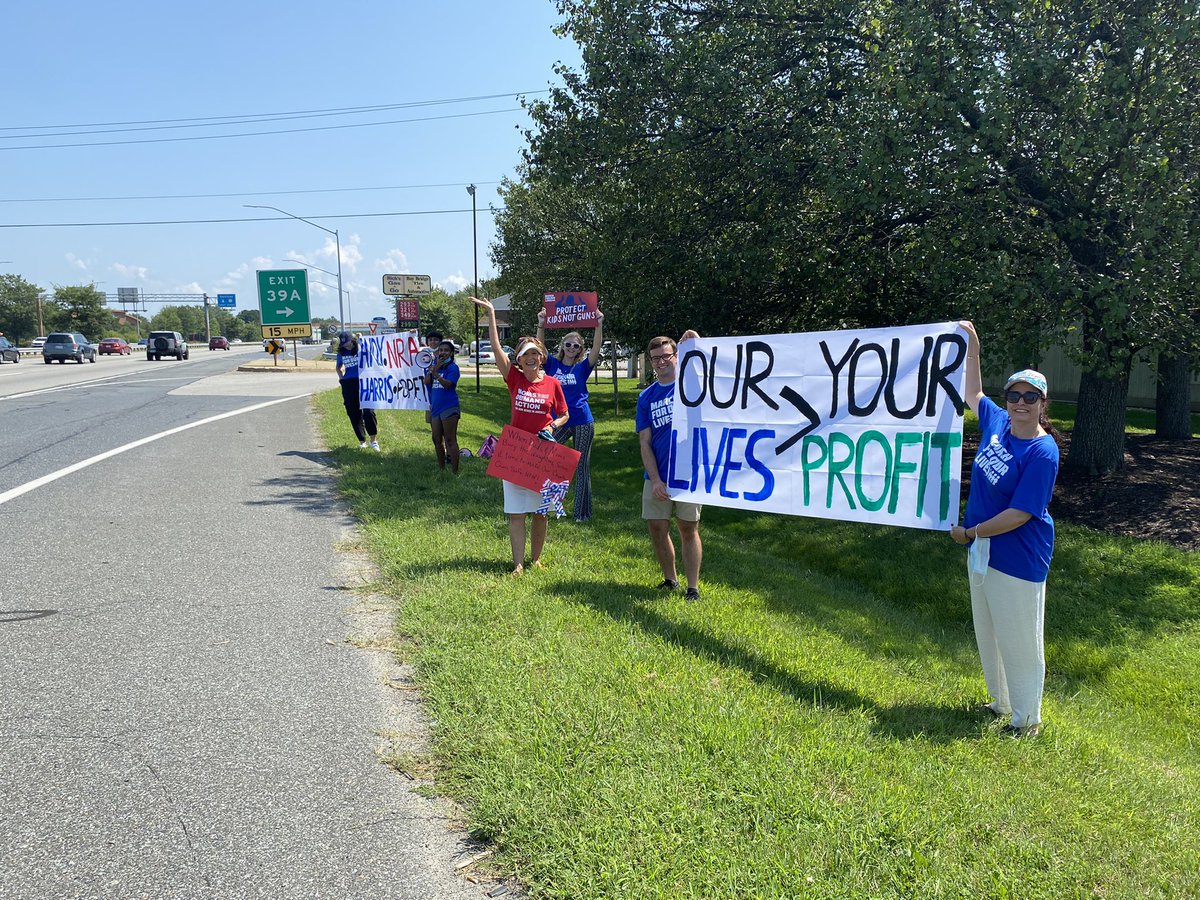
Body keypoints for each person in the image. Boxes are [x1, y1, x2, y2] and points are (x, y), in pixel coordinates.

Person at [951, 321, 1060, 738]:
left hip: (1017, 555)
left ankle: (1027, 720)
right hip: (983, 548)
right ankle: (1001, 702)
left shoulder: (1042, 450)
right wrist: (973, 345)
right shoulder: (996, 424)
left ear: (1041, 403)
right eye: (1014, 395)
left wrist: (970, 532)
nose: (1019, 403)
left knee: (1020, 640)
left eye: (1029, 397)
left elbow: (1020, 514)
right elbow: (972, 393)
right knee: (989, 629)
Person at [470, 297, 570, 575]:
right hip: (515, 451)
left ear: (541, 358)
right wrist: (491, 314)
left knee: (540, 512)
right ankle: (517, 564)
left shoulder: (552, 383)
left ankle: (535, 558)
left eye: (534, 354)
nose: (530, 358)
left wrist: (553, 426)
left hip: (543, 453)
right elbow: (497, 347)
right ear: (519, 359)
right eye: (525, 354)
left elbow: (564, 414)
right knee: (516, 512)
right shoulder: (514, 378)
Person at [636, 331, 703, 601]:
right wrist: (655, 480)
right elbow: (644, 442)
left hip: (688, 473)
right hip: (657, 475)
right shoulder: (646, 397)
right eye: (655, 358)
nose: (661, 362)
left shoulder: (691, 387)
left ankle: (693, 588)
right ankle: (670, 579)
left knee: (688, 528)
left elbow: (707, 370)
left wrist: (696, 342)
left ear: (676, 356)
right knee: (657, 527)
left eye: (666, 356)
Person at [535, 306, 605, 521]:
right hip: (559, 421)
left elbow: (596, 347)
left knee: (581, 466)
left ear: (580, 349)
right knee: (542, 452)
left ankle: (582, 513)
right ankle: (545, 504)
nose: (572, 347)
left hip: (583, 420)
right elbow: (539, 348)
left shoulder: (583, 367)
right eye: (568, 344)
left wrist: (599, 325)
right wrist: (541, 324)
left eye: (576, 345)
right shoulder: (552, 364)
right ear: (562, 346)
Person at [335, 331, 379, 451]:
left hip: (364, 382)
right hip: (349, 384)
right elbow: (338, 368)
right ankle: (362, 441)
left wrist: (361, 339)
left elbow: (373, 350)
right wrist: (342, 378)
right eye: (344, 344)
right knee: (353, 412)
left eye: (348, 342)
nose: (347, 346)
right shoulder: (341, 353)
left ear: (352, 340)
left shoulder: (361, 347)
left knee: (368, 411)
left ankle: (373, 440)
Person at [423, 339, 461, 473]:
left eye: (446, 350)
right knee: (436, 439)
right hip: (436, 408)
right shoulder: (435, 365)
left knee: (450, 439)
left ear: (451, 353)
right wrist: (434, 369)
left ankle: (455, 471)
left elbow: (448, 385)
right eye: (441, 350)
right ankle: (442, 468)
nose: (443, 353)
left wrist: (437, 375)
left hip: (449, 407)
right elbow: (426, 382)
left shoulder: (453, 368)